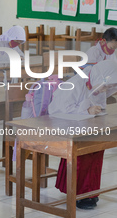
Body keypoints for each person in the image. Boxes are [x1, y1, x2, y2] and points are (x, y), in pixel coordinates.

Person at [48, 60, 117, 209]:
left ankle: (91, 192)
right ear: (101, 77)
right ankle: (80, 193)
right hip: (65, 126)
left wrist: (94, 110)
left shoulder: (96, 83)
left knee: (98, 146)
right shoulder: (75, 84)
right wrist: (87, 111)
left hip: (85, 125)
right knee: (84, 150)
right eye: (105, 86)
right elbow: (58, 110)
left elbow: (98, 106)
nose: (105, 90)